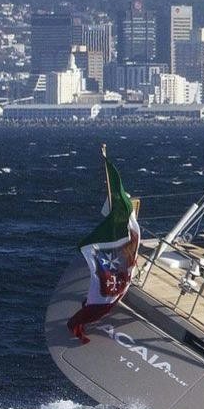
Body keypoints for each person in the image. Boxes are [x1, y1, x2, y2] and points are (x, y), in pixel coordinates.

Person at [69, 147, 142, 345]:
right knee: (100, 278)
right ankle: (90, 307)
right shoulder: (130, 221)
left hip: (115, 245)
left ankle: (90, 309)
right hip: (116, 244)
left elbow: (106, 216)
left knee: (100, 279)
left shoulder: (125, 220)